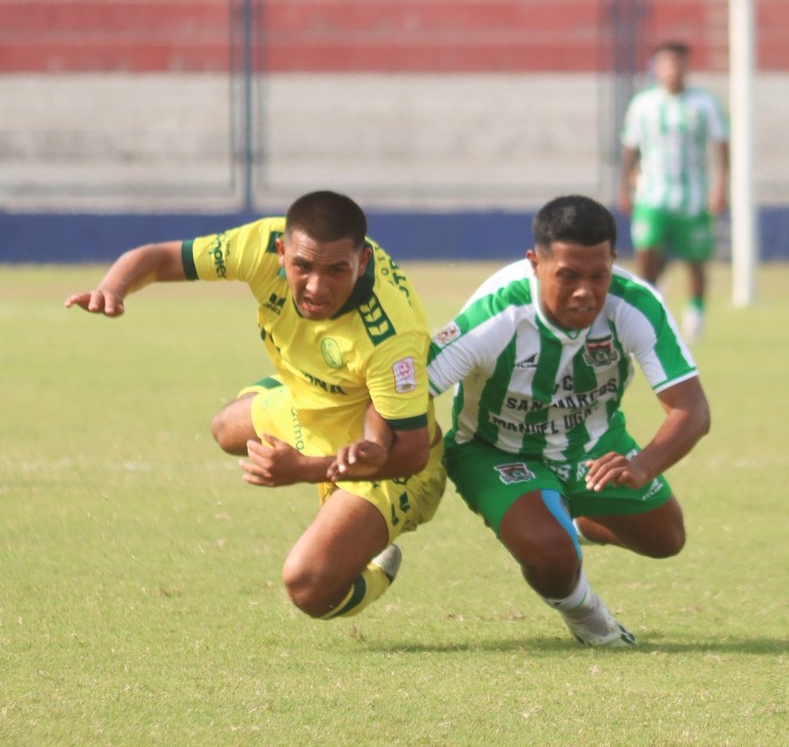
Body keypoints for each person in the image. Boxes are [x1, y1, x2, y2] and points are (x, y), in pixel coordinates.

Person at [65, 190, 446, 620]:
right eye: (302, 266)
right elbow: (156, 257)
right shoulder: (260, 246)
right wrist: (112, 288)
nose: (316, 287)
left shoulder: (390, 335)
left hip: (384, 455)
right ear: (282, 252)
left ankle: (377, 570)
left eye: (336, 270)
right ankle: (302, 389)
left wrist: (303, 469)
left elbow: (412, 453)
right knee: (226, 429)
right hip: (315, 399)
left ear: (360, 264)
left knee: (309, 588)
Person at [423, 194, 710, 646]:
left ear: (614, 260)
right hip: (494, 449)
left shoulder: (635, 304)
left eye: (599, 275)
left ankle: (568, 518)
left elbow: (691, 408)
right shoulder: (495, 315)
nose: (585, 291)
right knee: (552, 555)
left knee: (666, 538)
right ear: (535, 263)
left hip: (592, 445)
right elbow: (409, 394)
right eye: (568, 276)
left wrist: (643, 464)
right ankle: (591, 622)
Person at [618, 40, 729, 342]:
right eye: (665, 63)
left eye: (677, 63)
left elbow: (721, 146)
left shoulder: (703, 104)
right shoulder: (643, 105)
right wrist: (624, 187)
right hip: (652, 194)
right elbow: (630, 148)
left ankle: (696, 316)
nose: (671, 69)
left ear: (686, 66)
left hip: (692, 198)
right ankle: (652, 313)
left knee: (695, 260)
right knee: (647, 251)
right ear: (656, 68)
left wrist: (721, 188)